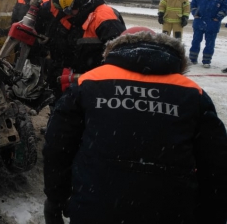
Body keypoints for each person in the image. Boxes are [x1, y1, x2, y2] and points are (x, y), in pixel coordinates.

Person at [43, 27, 227, 224]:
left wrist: (55, 199)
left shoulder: (88, 83)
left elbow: (58, 148)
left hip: (95, 207)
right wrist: (212, 214)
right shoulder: (192, 93)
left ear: (114, 50)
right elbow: (215, 165)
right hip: (170, 212)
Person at [55, 0, 126, 74]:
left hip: (100, 81)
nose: (70, 15)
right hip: (89, 79)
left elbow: (120, 56)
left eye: (70, 11)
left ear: (77, 3)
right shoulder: (85, 15)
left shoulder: (104, 16)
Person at [189, 0, 227, 68]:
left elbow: (225, 8)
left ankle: (206, 61)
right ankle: (192, 59)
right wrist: (195, 13)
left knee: (210, 43)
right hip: (199, 21)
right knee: (196, 41)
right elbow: (193, 4)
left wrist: (218, 17)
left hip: (212, 23)